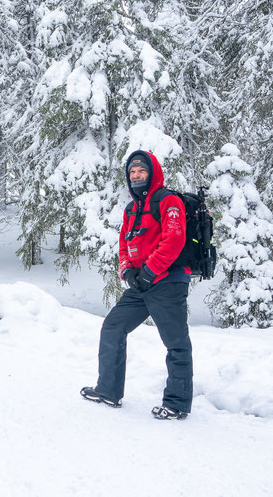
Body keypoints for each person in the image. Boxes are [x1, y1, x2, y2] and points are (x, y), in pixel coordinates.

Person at [81, 150, 193, 420]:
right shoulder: (132, 208)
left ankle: (177, 404)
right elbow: (124, 243)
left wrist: (150, 271)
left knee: (175, 343)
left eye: (141, 171)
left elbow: (174, 240)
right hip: (142, 284)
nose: (136, 176)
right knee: (113, 327)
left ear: (152, 172)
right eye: (132, 173)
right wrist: (127, 272)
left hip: (168, 282)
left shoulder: (169, 201)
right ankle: (108, 390)